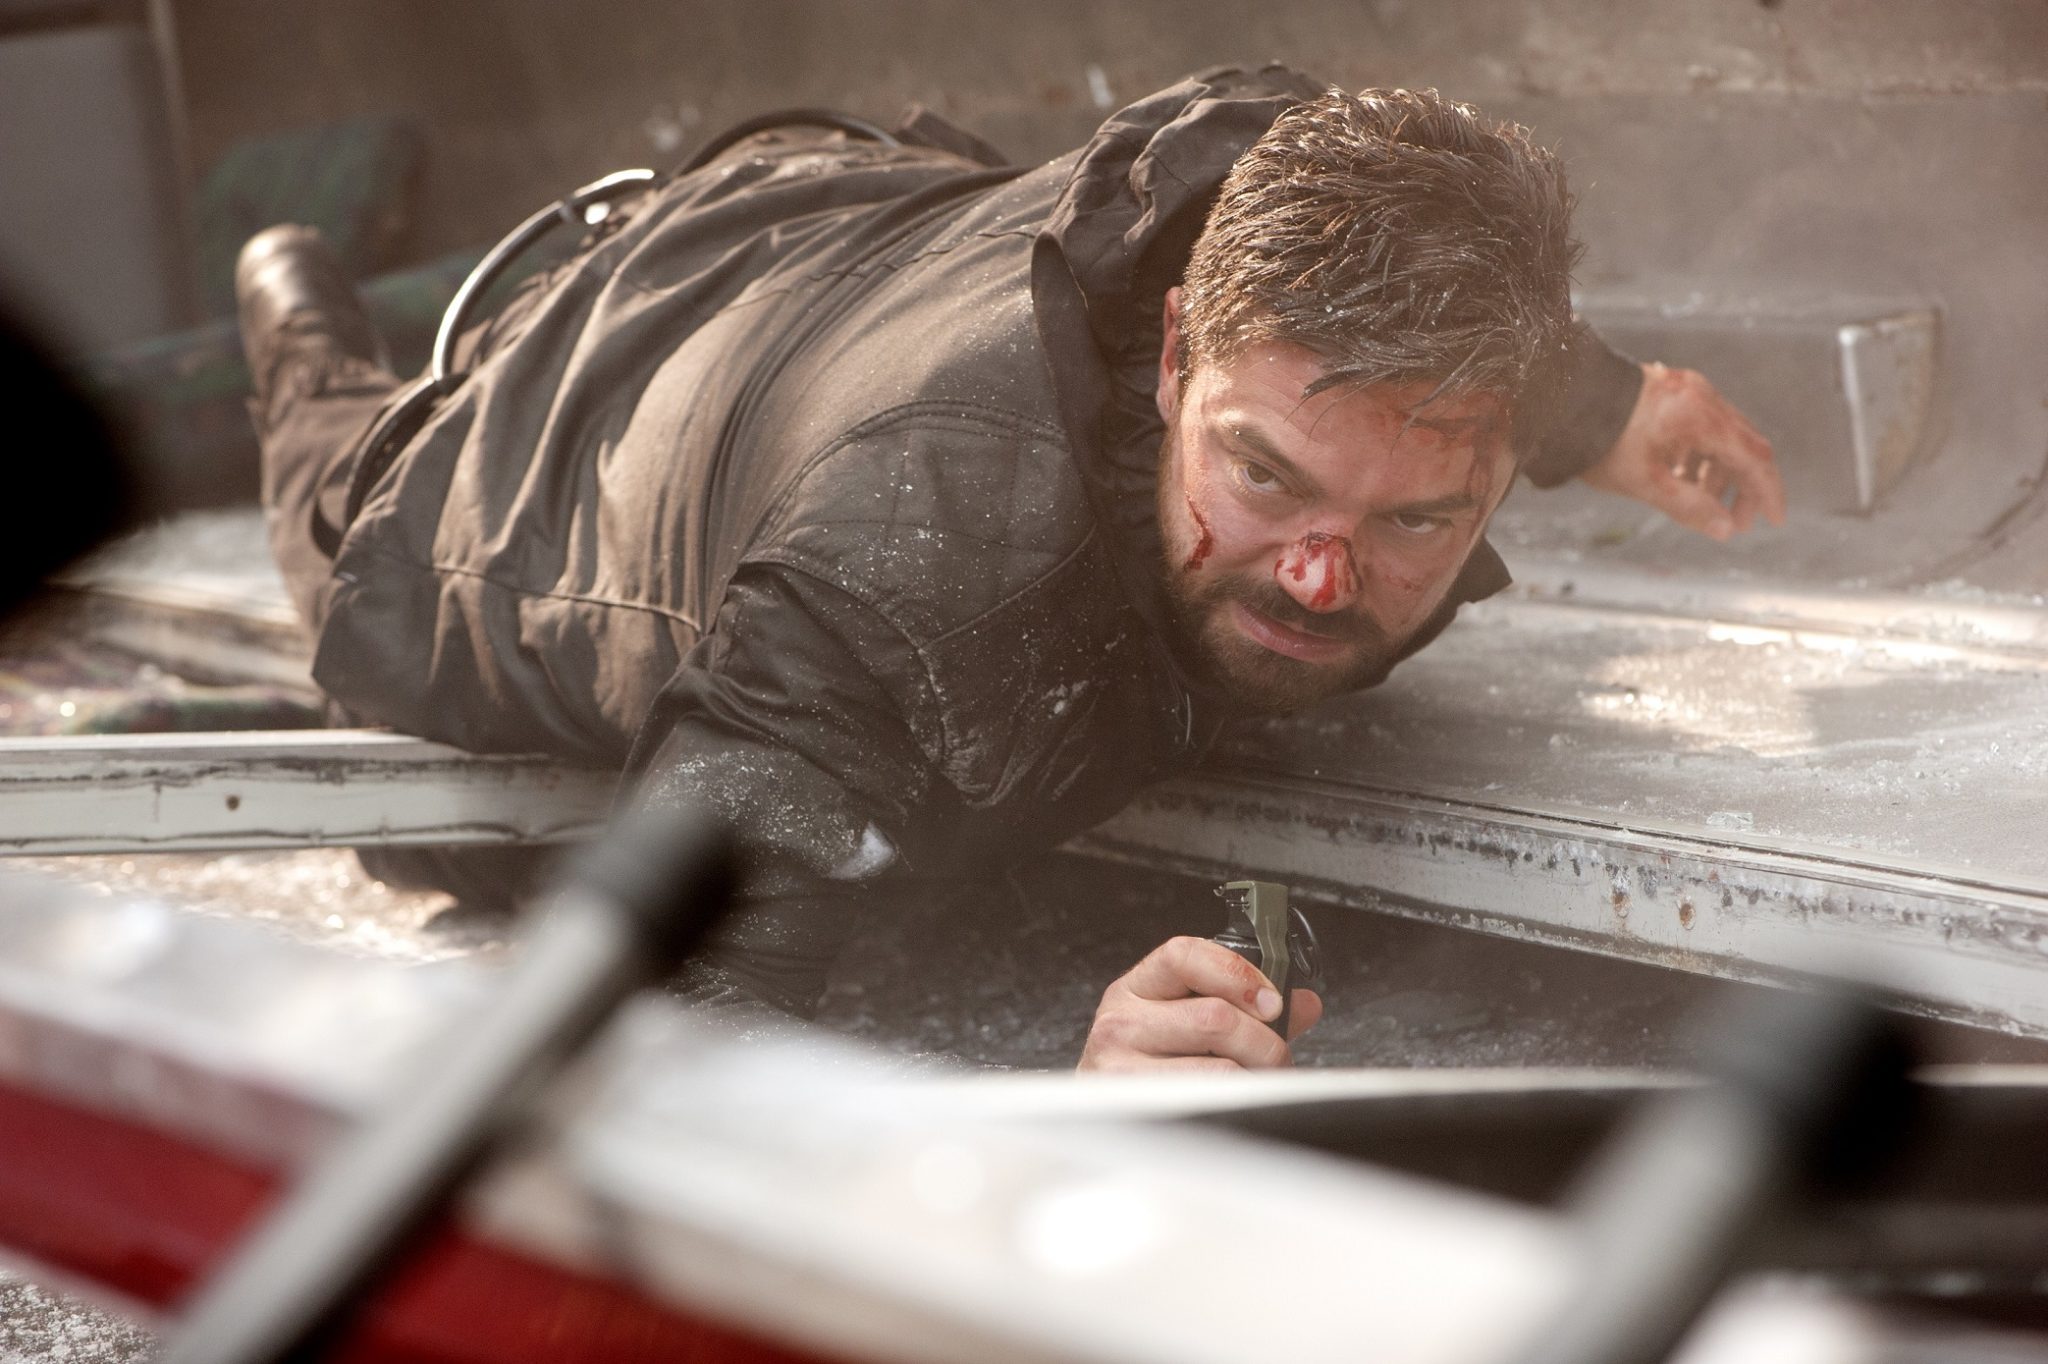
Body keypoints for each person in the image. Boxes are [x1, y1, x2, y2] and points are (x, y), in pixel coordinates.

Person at [234, 65, 1781, 1072]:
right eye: (1264, 477)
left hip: (843, 208)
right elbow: (655, 1044)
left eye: (1416, 523)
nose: (1319, 579)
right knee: (348, 503)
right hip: (545, 418)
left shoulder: (1287, 188)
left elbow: (1294, 166)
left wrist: (1612, 408)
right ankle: (298, 322)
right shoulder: (898, 592)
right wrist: (1058, 1112)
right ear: (1174, 353)